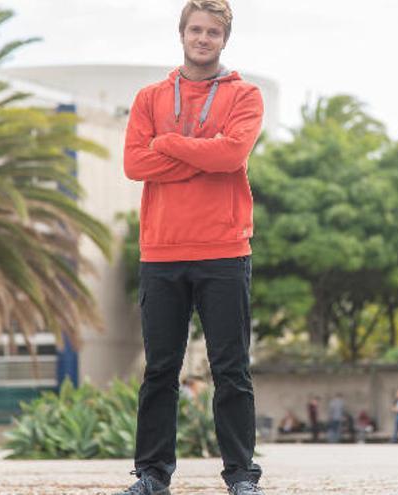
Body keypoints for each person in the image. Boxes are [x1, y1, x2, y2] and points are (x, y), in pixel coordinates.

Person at [118, 1, 265, 493]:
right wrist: (205, 154)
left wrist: (169, 144)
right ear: (181, 34)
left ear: (225, 40)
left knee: (231, 370)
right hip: (161, 252)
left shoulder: (245, 95)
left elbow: (232, 155)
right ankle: (153, 475)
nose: (203, 39)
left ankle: (242, 476)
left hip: (224, 248)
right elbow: (135, 164)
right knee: (160, 370)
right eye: (196, 30)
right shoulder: (149, 98)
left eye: (213, 32)